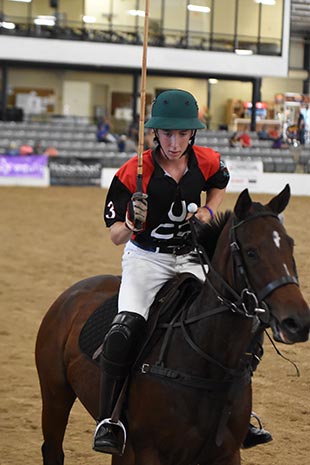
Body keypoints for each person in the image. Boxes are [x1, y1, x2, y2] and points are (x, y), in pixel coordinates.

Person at [93, 89, 271, 455]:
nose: (174, 143)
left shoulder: (207, 161)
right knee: (124, 330)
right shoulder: (132, 172)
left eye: (182, 134)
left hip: (192, 257)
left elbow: (220, 183)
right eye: (167, 134)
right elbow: (114, 236)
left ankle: (238, 413)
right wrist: (130, 221)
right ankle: (110, 419)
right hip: (147, 259)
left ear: (193, 134)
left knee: (237, 321)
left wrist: (209, 209)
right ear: (154, 133)